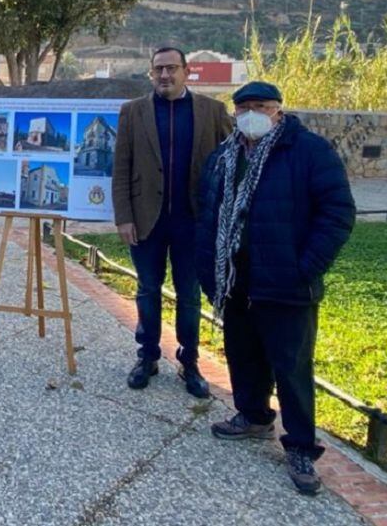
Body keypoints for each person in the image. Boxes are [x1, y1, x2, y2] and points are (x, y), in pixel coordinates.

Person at [196, 81, 355, 495]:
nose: (252, 114)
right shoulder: (224, 157)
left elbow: (337, 212)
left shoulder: (307, 152)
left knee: (291, 368)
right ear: (234, 113)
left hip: (286, 284)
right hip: (237, 281)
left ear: (278, 111)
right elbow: (207, 215)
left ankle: (301, 446)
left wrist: (305, 268)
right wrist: (208, 272)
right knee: (243, 355)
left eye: (261, 106)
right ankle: (253, 416)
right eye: (244, 107)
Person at [111, 47, 233, 397]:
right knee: (147, 290)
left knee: (190, 295)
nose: (165, 75)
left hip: (192, 222)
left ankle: (189, 361)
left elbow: (230, 162)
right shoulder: (133, 112)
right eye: (158, 69)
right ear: (151, 73)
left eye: (171, 68)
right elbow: (121, 168)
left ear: (186, 71)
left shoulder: (212, 111)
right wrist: (124, 216)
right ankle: (147, 356)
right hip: (146, 221)